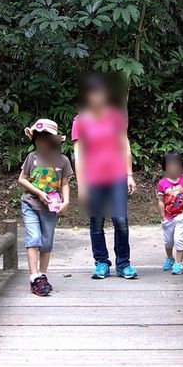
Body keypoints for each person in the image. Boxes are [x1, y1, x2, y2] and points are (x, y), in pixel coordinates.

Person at [71, 73, 137, 279]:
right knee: (96, 221)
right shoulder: (80, 121)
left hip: (116, 174)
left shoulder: (115, 116)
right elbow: (78, 155)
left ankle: (124, 263)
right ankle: (101, 262)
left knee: (120, 219)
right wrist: (81, 186)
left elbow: (124, 144)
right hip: (93, 178)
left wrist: (129, 174)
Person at [16, 118, 72, 296]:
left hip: (50, 208)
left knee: (47, 241)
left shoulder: (62, 161)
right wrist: (39, 193)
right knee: (34, 238)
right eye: (38, 139)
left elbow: (64, 184)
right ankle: (34, 277)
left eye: (45, 138)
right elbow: (22, 179)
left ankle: (42, 275)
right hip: (30, 204)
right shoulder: (31, 158)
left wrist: (66, 201)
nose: (41, 142)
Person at [156, 150, 183, 275]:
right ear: (165, 167)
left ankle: (178, 263)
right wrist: (163, 216)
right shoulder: (162, 184)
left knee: (179, 239)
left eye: (176, 164)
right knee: (168, 241)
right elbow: (161, 201)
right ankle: (170, 258)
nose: (173, 167)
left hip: (181, 217)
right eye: (170, 165)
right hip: (168, 217)